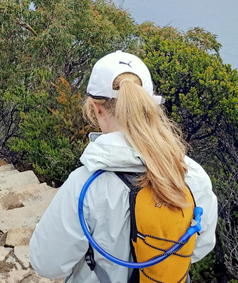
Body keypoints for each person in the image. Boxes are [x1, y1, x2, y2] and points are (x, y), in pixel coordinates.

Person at [29, 51, 218, 283]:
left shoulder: (85, 184)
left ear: (95, 107)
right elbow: (200, 247)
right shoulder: (191, 175)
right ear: (151, 104)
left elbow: (47, 263)